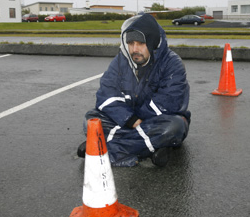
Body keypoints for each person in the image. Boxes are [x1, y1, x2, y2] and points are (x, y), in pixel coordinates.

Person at [77, 13, 191, 167]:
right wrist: (129, 119)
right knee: (91, 119)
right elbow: (106, 95)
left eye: (141, 43)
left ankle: (105, 148)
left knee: (174, 127)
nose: (134, 49)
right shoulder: (121, 61)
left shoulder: (172, 63)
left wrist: (136, 120)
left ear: (151, 42)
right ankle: (148, 149)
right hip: (128, 120)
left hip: (156, 120)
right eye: (131, 43)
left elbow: (169, 102)